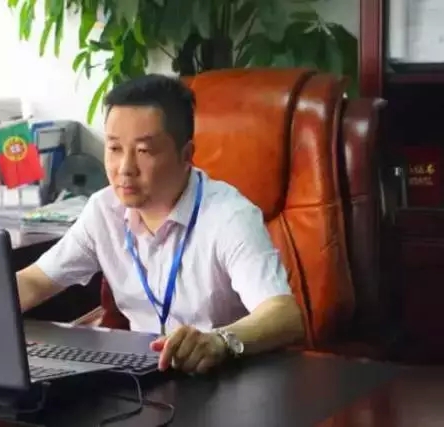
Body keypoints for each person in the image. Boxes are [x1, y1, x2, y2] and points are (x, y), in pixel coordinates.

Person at [17, 74, 305, 374]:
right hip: (141, 376)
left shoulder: (228, 217)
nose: (125, 169)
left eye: (144, 151)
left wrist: (219, 341)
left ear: (186, 155)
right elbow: (35, 282)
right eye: (114, 148)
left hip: (223, 376)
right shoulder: (104, 210)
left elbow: (283, 315)